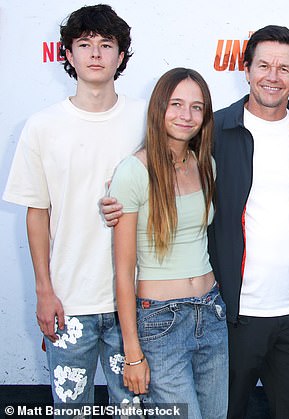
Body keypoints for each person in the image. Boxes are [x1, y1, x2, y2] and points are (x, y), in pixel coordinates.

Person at [102, 25, 289, 419]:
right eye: (264, 65)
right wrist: (116, 201)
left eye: (284, 68)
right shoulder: (214, 133)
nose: (273, 76)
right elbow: (154, 172)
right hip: (231, 314)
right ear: (246, 69)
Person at [2, 4, 145, 410]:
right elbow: (37, 213)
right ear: (67, 54)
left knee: (132, 411)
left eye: (106, 44)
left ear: (121, 55)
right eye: (84, 44)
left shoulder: (145, 118)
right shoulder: (41, 126)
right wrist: (43, 291)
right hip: (68, 304)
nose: (95, 53)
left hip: (132, 304)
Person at [108, 68, 228, 418]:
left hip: (211, 312)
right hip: (160, 323)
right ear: (159, 107)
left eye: (196, 106)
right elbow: (123, 272)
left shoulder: (206, 165)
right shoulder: (134, 171)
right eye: (176, 104)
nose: (186, 115)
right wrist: (133, 353)